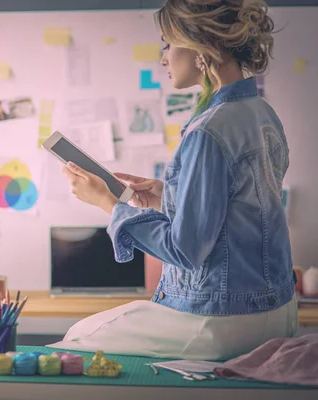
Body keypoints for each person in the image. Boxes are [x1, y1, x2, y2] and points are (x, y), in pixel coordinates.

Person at [49, 0, 298, 361]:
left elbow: (186, 251)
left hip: (224, 319)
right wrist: (169, 196)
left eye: (168, 43)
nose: (163, 58)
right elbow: (244, 208)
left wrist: (108, 204)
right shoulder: (261, 113)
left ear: (200, 48)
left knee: (74, 341)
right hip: (279, 311)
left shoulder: (208, 131)